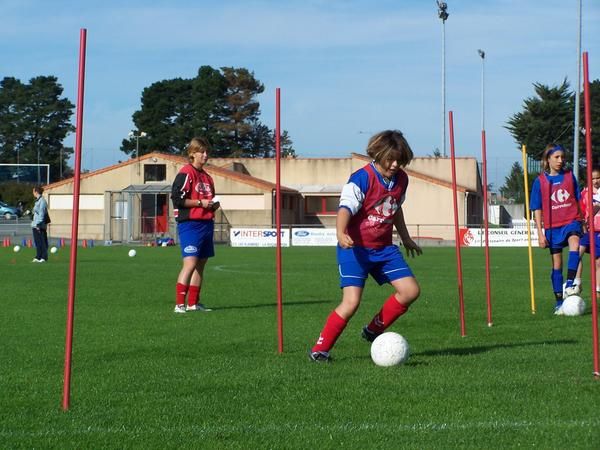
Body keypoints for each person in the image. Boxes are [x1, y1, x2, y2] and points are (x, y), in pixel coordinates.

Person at [309, 130, 423, 362]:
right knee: (351, 303)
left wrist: (406, 237)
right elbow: (345, 208)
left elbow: (395, 209)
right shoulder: (361, 178)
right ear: (378, 154)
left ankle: (373, 329)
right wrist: (340, 233)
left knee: (410, 291)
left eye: (399, 161)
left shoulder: (402, 179)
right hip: (355, 249)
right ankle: (319, 350)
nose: (394, 165)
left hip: (384, 249)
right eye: (390, 159)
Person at [530, 144, 583, 314]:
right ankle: (559, 302)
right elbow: (536, 208)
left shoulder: (569, 176)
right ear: (548, 159)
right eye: (556, 157)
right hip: (553, 227)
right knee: (557, 264)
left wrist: (584, 216)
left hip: (571, 220)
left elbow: (578, 198)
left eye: (562, 157)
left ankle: (569, 284)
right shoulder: (540, 181)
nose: (560, 160)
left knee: (575, 243)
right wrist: (539, 233)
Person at [170, 137, 220, 313]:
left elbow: (210, 199)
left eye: (207, 152)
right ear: (192, 153)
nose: (206, 155)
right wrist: (200, 203)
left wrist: (213, 205)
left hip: (206, 223)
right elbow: (177, 199)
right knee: (190, 263)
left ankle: (193, 303)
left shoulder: (207, 177)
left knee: (201, 264)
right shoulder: (186, 173)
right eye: (202, 152)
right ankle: (179, 304)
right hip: (190, 224)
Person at [575, 166, 600, 294]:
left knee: (598, 262)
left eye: (598, 178)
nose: (596, 181)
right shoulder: (584, 193)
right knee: (577, 254)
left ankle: (597, 290)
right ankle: (577, 283)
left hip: (599, 231)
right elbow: (580, 211)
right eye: (593, 178)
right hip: (587, 230)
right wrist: (583, 223)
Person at [31, 185, 49, 263]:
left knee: (42, 241)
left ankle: (43, 257)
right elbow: (36, 212)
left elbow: (41, 214)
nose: (32, 193)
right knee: (37, 242)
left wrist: (38, 225)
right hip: (35, 224)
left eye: (33, 191)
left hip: (40, 225)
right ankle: (38, 256)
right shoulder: (37, 201)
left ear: (36, 192)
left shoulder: (42, 201)